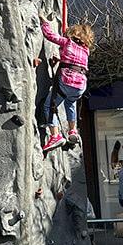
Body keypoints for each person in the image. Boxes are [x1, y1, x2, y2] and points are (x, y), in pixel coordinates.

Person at [38, 15, 94, 151]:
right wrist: (60, 59)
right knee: (70, 104)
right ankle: (72, 131)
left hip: (66, 82)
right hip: (80, 85)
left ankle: (55, 136)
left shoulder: (68, 43)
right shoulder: (85, 51)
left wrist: (45, 22)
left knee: (49, 106)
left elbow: (50, 36)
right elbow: (72, 61)